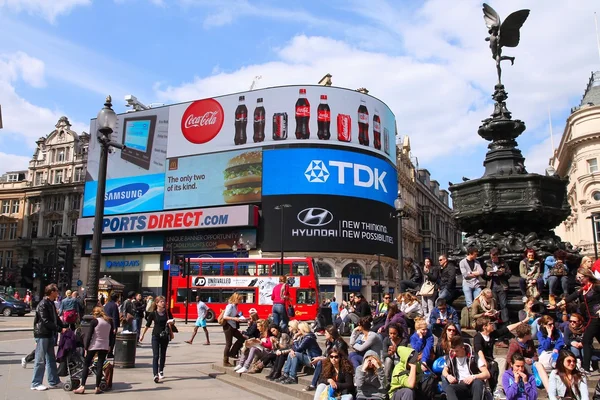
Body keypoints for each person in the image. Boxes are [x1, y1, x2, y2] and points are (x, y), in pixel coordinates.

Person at [558, 267, 600, 373]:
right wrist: (557, 304)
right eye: (578, 278)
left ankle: (585, 368)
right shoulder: (583, 289)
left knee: (586, 340)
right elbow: (571, 297)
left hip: (596, 317)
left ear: (586, 276)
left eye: (580, 277)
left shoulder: (596, 286)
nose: (579, 279)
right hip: (589, 317)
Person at [473, 317, 525, 397]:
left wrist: (522, 321)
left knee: (502, 361)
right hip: (481, 359)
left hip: (491, 359)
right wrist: (484, 362)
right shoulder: (478, 336)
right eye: (490, 324)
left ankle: (498, 388)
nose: (492, 325)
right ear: (484, 327)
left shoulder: (492, 334)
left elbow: (507, 328)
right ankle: (487, 389)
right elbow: (479, 350)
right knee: (488, 366)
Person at [30, 283, 67, 391]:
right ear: (52, 292)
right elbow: (45, 321)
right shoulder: (43, 304)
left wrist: (64, 326)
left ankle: (54, 381)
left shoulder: (50, 303)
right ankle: (36, 383)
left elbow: (56, 318)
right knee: (40, 359)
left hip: (49, 334)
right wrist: (60, 329)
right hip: (42, 334)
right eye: (56, 291)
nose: (58, 293)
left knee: (51, 359)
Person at [73, 307, 112, 394]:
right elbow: (111, 336)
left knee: (86, 364)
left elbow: (89, 335)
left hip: (95, 344)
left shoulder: (94, 321)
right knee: (100, 365)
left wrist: (86, 348)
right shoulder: (109, 321)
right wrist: (110, 346)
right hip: (104, 345)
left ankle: (82, 386)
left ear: (95, 314)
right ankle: (97, 387)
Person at [139, 295, 175, 383]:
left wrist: (171, 323)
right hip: (155, 336)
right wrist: (142, 335)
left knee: (163, 354)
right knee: (156, 355)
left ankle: (161, 370)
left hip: (165, 336)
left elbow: (172, 321)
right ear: (157, 303)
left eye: (164, 301)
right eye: (161, 302)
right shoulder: (153, 314)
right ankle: (155, 374)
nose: (164, 303)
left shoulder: (167, 312)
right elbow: (147, 325)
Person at [304, 324, 348, 392]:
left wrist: (320, 359)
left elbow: (337, 356)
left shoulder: (340, 343)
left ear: (331, 334)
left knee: (320, 362)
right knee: (319, 361)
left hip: (339, 361)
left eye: (326, 333)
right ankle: (319, 383)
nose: (324, 334)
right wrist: (319, 357)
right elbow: (326, 355)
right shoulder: (329, 342)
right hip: (331, 360)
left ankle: (314, 384)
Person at [485, 247, 511, 323]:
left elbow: (509, 274)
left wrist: (502, 274)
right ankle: (495, 321)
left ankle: (505, 321)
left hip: (502, 286)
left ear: (497, 255)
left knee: (503, 304)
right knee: (494, 305)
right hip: (491, 286)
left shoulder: (503, 263)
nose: (493, 258)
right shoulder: (487, 263)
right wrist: (487, 274)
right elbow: (484, 276)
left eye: (495, 256)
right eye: (492, 256)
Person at [220, 292, 245, 367]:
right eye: (240, 299)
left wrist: (239, 317)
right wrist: (234, 318)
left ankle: (232, 353)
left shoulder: (235, 306)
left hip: (233, 326)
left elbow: (234, 315)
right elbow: (225, 316)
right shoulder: (230, 306)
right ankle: (225, 361)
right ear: (236, 299)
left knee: (241, 339)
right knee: (228, 343)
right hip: (228, 326)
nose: (241, 301)